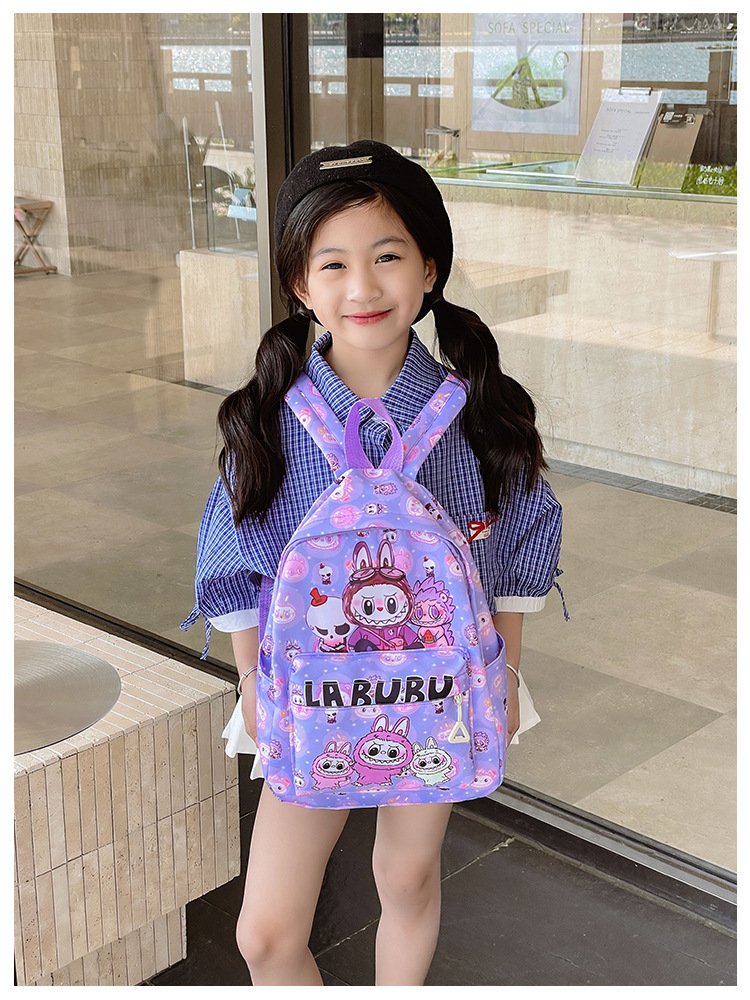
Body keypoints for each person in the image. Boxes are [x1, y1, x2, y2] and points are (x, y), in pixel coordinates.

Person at [181, 139, 564, 986]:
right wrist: (250, 680)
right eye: (333, 263)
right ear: (299, 283)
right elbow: (233, 553)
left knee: (407, 875)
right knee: (266, 934)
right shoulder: (267, 418)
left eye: (388, 257)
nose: (362, 287)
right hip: (303, 687)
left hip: (439, 684)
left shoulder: (476, 413)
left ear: (429, 269)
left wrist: (504, 670)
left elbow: (517, 544)